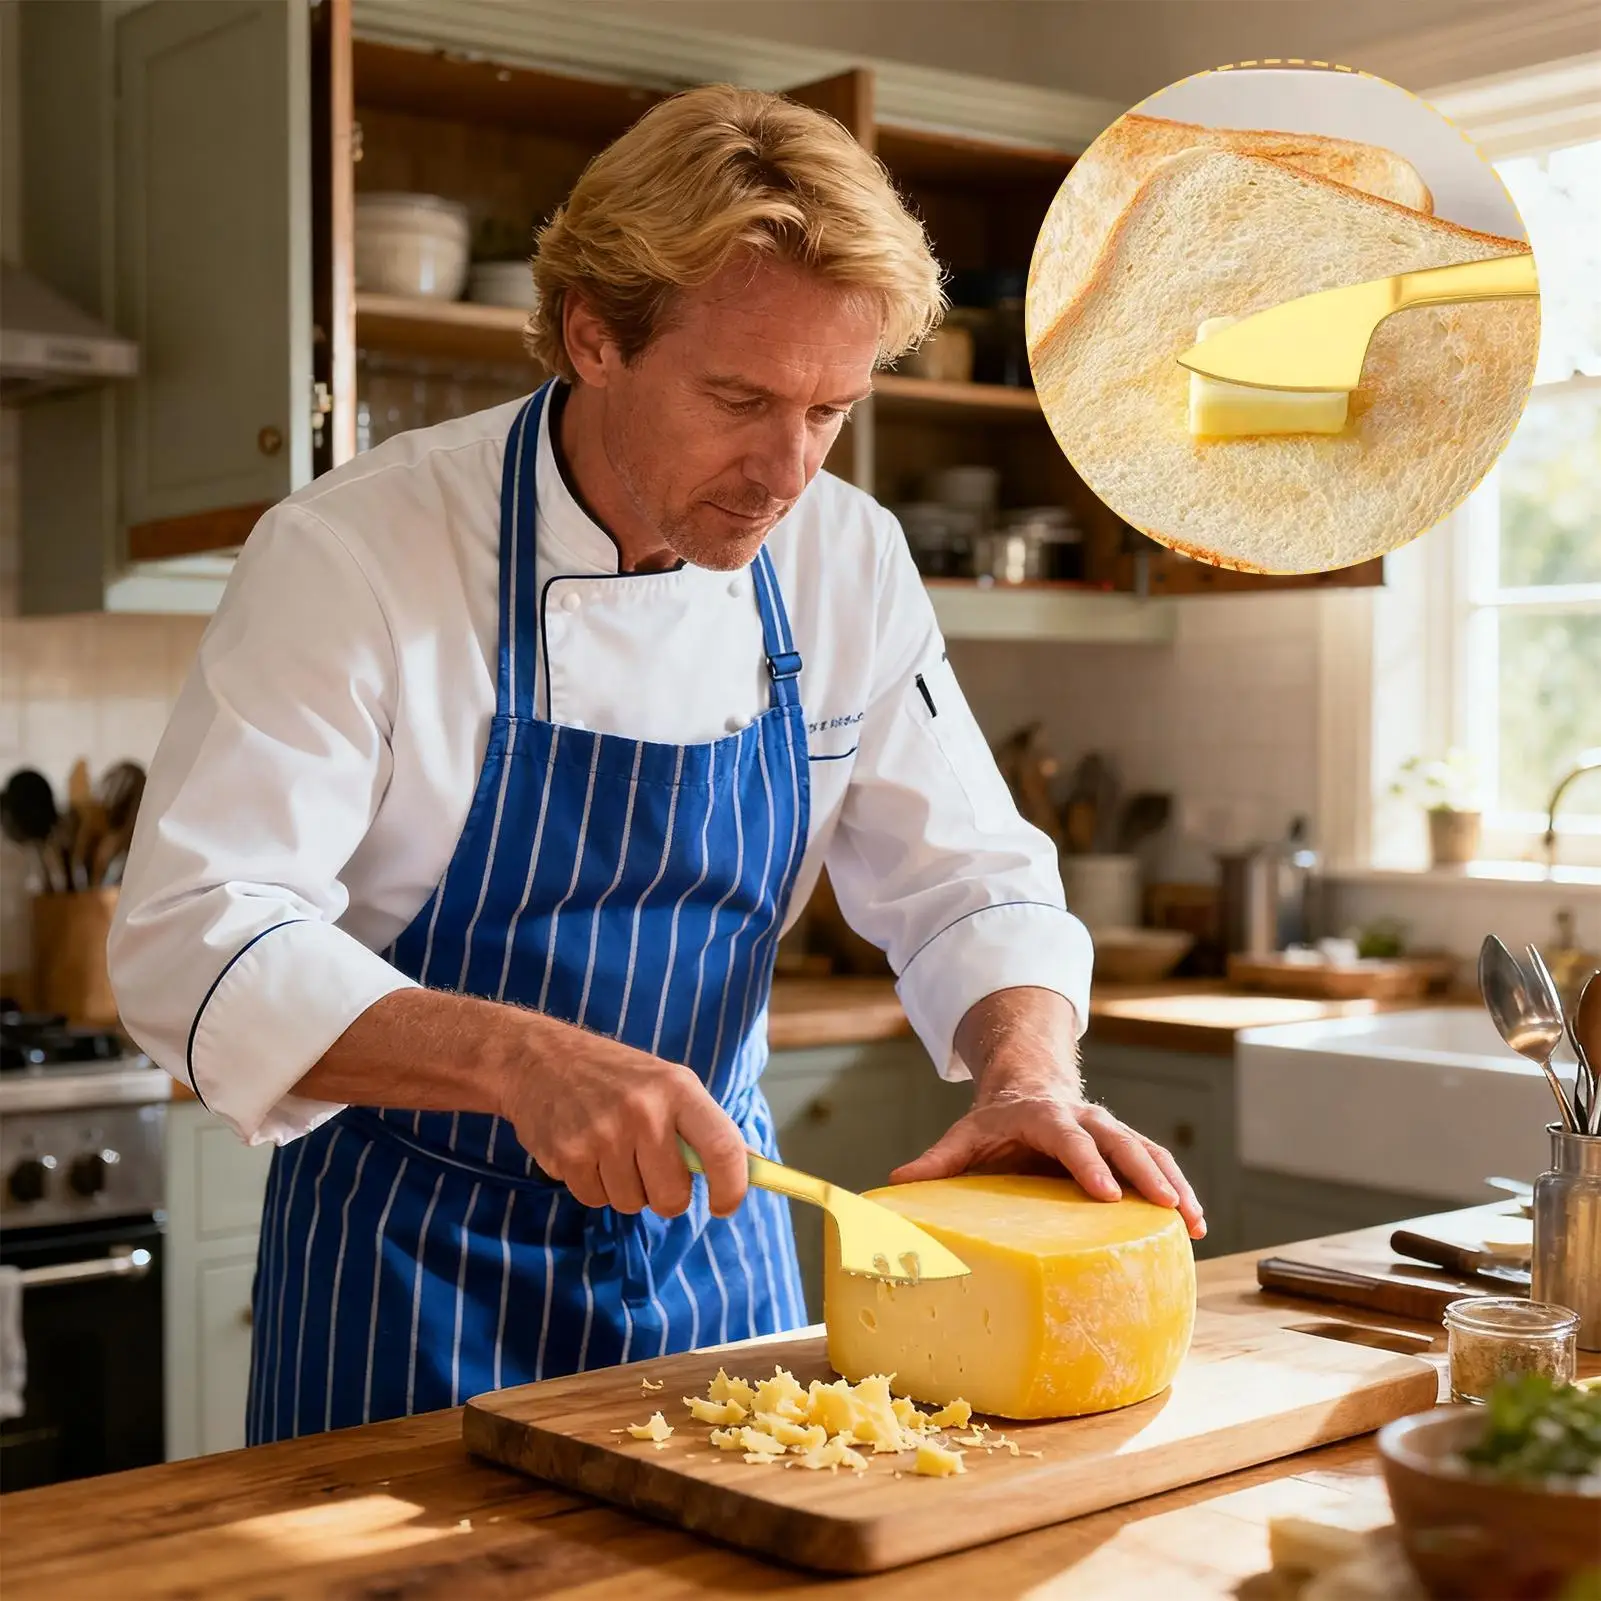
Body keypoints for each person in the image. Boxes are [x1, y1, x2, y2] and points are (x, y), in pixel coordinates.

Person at [109, 84, 1204, 1445]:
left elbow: (969, 880)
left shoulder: (847, 556)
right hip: (406, 1267)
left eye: (830, 409)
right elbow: (193, 934)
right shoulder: (356, 553)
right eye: (739, 399)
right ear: (593, 336)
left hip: (715, 1246)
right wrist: (518, 1060)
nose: (786, 470)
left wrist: (1029, 1076)